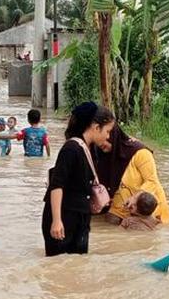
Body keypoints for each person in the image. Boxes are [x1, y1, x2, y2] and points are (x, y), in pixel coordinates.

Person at [42, 102, 116, 256]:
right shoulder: (71, 149)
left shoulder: (90, 148)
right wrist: (57, 220)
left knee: (77, 267)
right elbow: (57, 186)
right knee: (57, 268)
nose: (108, 136)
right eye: (108, 131)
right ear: (96, 128)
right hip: (63, 218)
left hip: (81, 218)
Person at [94, 127, 169, 226]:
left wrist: (135, 198)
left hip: (146, 208)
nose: (99, 143)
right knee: (109, 222)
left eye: (104, 139)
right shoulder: (103, 154)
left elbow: (152, 181)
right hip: (123, 206)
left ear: (113, 137)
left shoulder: (141, 153)